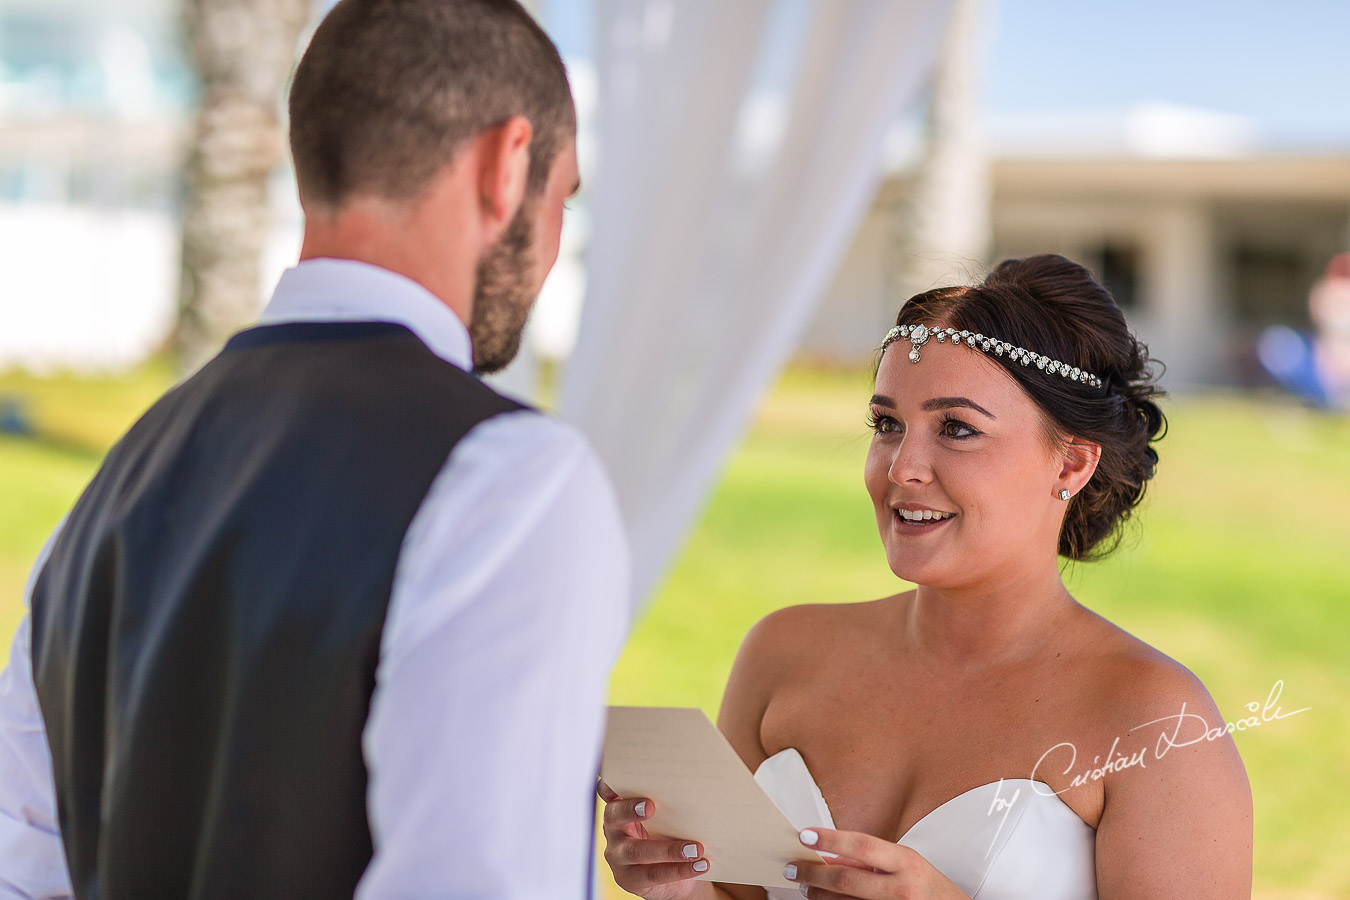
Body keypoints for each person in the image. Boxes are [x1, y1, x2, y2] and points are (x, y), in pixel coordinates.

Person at [0, 1, 630, 898]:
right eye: (563, 197)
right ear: (505, 163)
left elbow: (21, 869)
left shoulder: (114, 486)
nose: (555, 238)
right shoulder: (510, 481)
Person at [600, 254, 1252, 899]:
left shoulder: (1155, 720)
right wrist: (682, 889)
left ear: (1071, 465)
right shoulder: (781, 653)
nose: (903, 467)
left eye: (958, 429)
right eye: (888, 424)